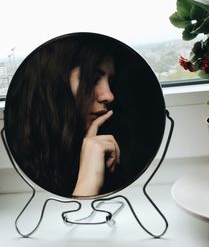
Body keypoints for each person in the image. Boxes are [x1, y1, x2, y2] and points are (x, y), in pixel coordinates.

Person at [5, 33, 135, 198]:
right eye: (93, 79)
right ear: (55, 88)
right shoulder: (26, 157)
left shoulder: (111, 144)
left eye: (110, 82)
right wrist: (88, 181)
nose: (109, 96)